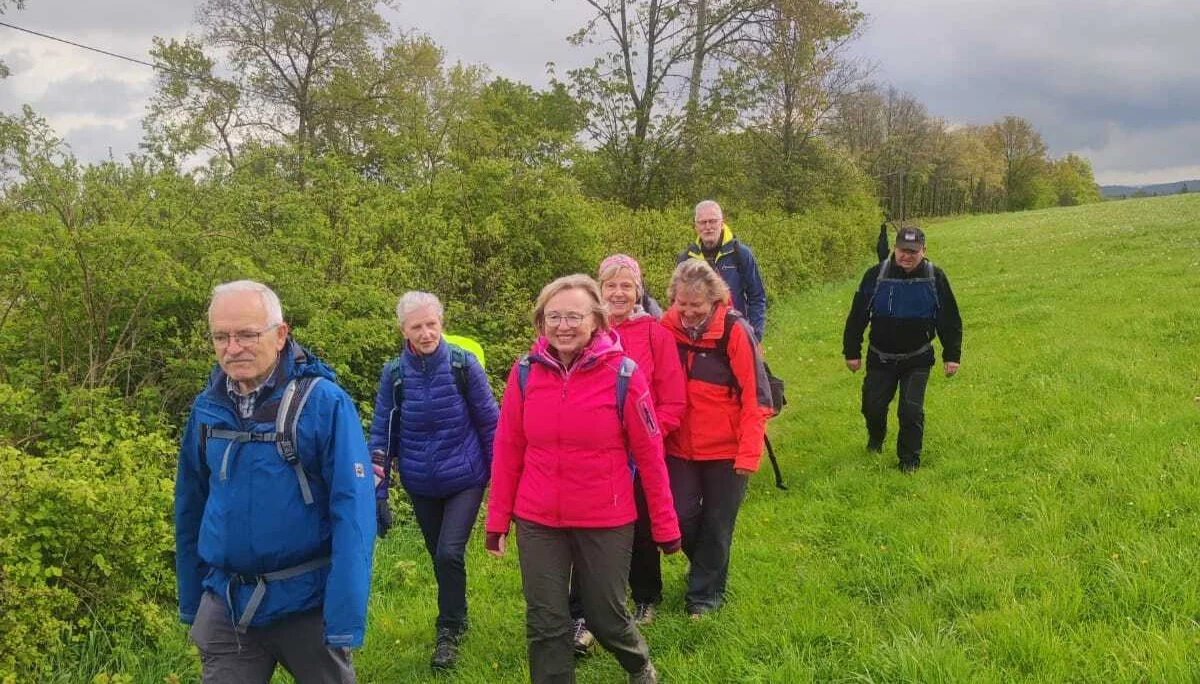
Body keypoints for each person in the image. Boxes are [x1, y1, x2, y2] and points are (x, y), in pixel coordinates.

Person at [175, 280, 375, 684]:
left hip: (307, 602)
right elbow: (190, 504)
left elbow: (353, 513)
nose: (233, 348)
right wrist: (194, 598)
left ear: (281, 334)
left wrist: (344, 616)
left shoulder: (323, 403)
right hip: (228, 603)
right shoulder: (207, 409)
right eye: (221, 336)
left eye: (247, 334)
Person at [485, 274, 681, 684]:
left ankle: (638, 663)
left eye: (573, 316)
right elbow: (507, 449)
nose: (563, 326)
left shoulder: (624, 374)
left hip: (605, 518)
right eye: (553, 317)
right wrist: (497, 519)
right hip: (539, 518)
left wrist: (664, 525)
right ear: (541, 323)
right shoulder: (524, 373)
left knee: (604, 616)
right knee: (546, 622)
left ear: (596, 319)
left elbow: (650, 456)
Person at [368, 292, 499, 671]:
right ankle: (457, 612)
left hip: (466, 476)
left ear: (442, 323)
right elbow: (381, 435)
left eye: (432, 324)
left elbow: (491, 423)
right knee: (438, 557)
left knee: (449, 553)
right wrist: (379, 494)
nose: (426, 333)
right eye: (417, 326)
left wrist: (503, 485)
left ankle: (450, 630)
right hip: (420, 481)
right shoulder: (394, 375)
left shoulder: (463, 365)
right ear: (403, 330)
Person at [568, 256, 687, 653]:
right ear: (599, 290)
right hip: (594, 453)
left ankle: (646, 597)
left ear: (639, 290)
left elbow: (673, 402)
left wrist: (645, 437)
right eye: (611, 285)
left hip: (641, 452)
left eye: (626, 286)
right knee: (585, 534)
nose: (618, 293)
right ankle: (582, 615)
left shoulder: (656, 335)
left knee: (640, 526)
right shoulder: (584, 332)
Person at [660, 260, 772, 618]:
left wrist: (748, 456)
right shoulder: (666, 327)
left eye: (697, 306)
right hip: (679, 446)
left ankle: (703, 598)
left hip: (727, 449)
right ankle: (708, 568)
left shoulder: (735, 331)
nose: (689, 313)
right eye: (683, 305)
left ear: (715, 300)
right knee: (679, 517)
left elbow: (757, 398)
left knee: (718, 523)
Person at [842, 226, 963, 473]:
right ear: (894, 249)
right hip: (880, 356)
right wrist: (852, 351)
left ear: (924, 251)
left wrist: (952, 355)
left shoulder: (935, 277)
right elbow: (857, 316)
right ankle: (876, 437)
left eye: (913, 251)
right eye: (902, 250)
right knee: (872, 407)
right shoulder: (876, 275)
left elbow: (949, 318)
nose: (907, 256)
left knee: (910, 410)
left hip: (917, 357)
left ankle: (909, 461)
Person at [677, 200, 768, 340]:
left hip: (736, 334)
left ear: (722, 222)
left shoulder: (740, 254)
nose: (708, 227)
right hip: (700, 339)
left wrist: (755, 335)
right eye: (703, 222)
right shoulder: (687, 258)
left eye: (713, 221)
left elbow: (757, 296)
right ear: (696, 226)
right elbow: (678, 301)